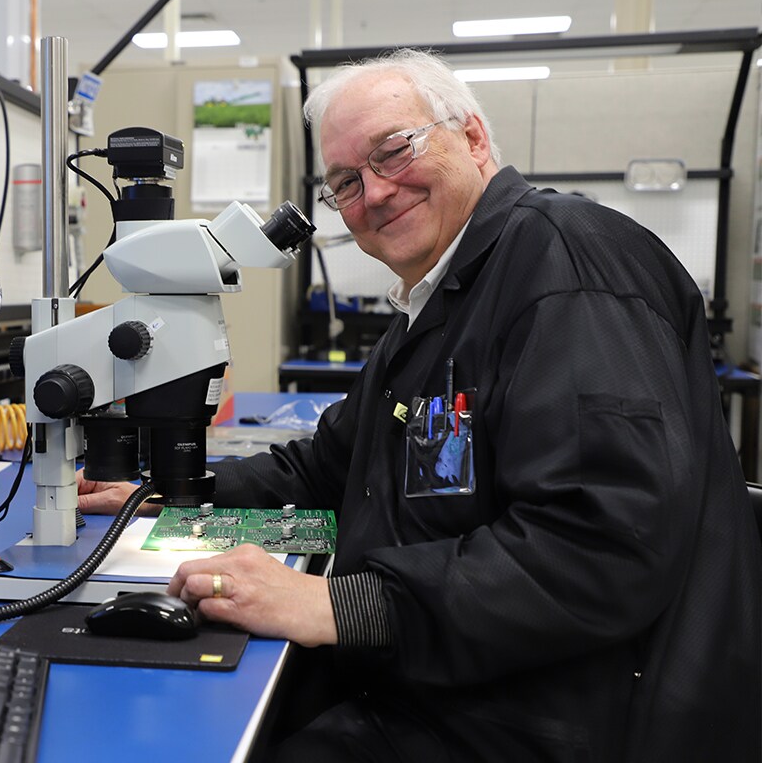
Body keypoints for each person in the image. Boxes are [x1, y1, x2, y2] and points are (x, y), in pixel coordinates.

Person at [78, 49, 761, 762]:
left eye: (393, 151)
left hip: (560, 716)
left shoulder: (567, 266)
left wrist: (337, 605)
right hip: (455, 673)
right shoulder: (444, 300)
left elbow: (603, 544)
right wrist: (173, 499)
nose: (373, 193)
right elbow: (332, 467)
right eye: (345, 181)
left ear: (471, 138)